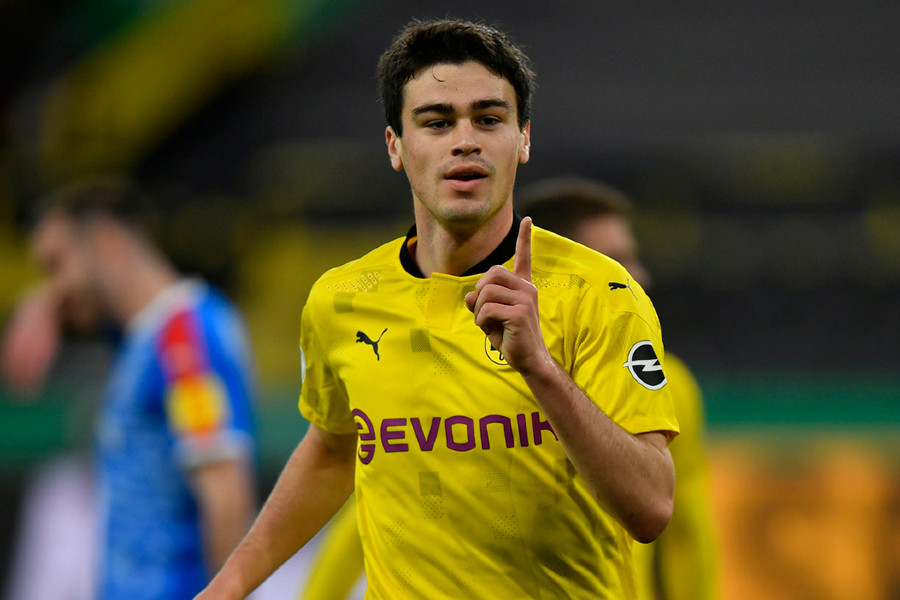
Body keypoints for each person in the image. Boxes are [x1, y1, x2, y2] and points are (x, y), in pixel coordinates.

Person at [197, 19, 678, 599]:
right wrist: (227, 588)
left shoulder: (600, 292)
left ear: (523, 139)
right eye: (437, 122)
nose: (465, 140)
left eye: (489, 119)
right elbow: (332, 449)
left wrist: (541, 371)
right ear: (395, 146)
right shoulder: (341, 300)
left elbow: (652, 508)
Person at [0, 177, 258, 600]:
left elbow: (225, 495)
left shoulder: (185, 338)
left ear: (107, 243)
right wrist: (46, 304)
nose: (53, 284)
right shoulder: (145, 338)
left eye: (55, 264)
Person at [520, 177, 719, 600]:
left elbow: (686, 534)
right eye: (615, 264)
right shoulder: (472, 373)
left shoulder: (670, 382)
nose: (639, 277)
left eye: (631, 260)